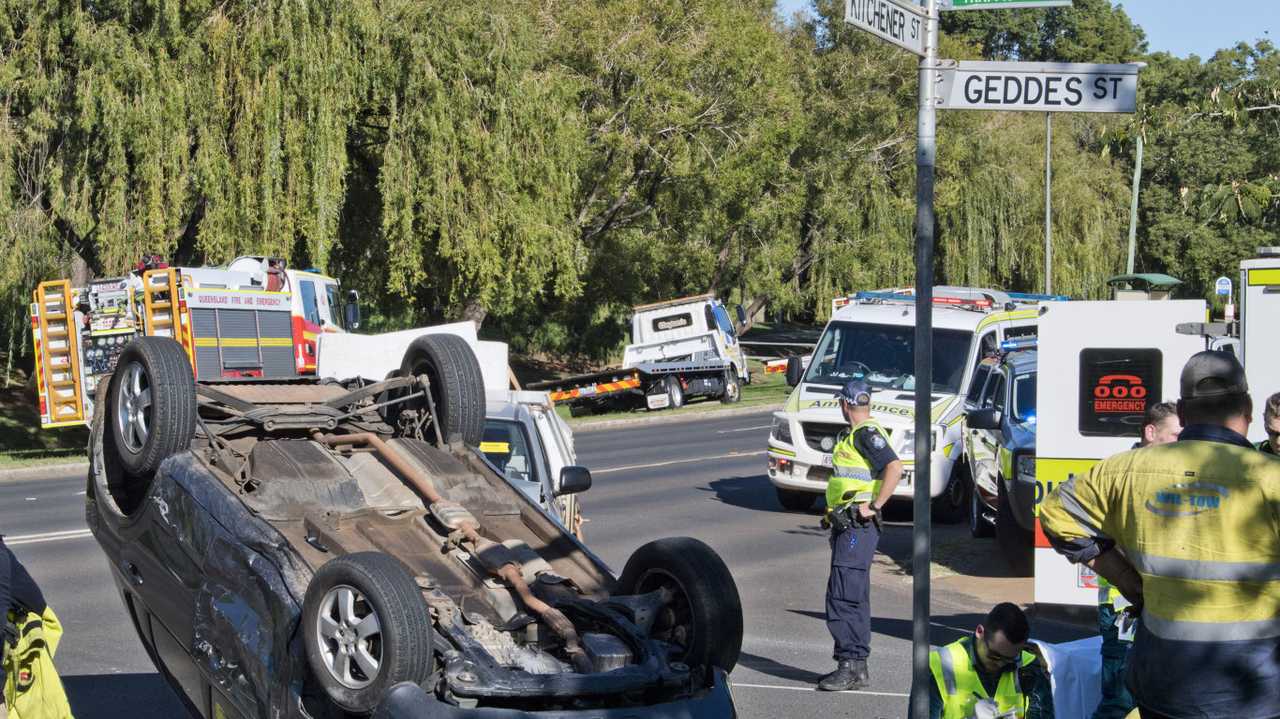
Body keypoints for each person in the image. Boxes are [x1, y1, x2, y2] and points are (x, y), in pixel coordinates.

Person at [1039, 351, 1280, 719]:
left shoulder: (1124, 470)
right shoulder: (1269, 479)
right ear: (1247, 408)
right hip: (1254, 692)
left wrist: (1125, 580)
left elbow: (1056, 514)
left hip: (1163, 685)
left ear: (1182, 413)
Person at [1094, 401, 1179, 719]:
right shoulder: (1120, 474)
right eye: (1175, 435)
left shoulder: (1171, 475)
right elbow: (1094, 534)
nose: (1180, 443)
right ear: (1150, 432)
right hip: (1123, 610)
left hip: (1161, 606)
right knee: (1120, 701)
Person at [817, 379, 902, 691]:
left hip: (857, 527)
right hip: (849, 525)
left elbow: (894, 467)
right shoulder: (858, 434)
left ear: (844, 404)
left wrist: (874, 506)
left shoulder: (866, 433)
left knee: (844, 595)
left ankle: (849, 666)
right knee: (854, 593)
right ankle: (857, 666)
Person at [927, 602, 1054, 719]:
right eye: (994, 656)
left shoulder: (1028, 667)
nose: (1000, 664)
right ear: (979, 632)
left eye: (1010, 659)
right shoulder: (939, 665)